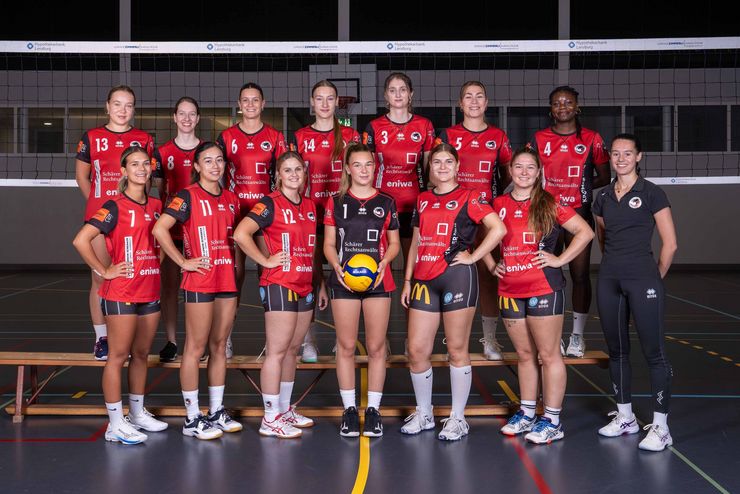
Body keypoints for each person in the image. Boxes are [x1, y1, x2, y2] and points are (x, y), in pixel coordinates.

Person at [400, 143, 506, 441]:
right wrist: (407, 280)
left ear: (458, 166)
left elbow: (498, 229)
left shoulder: (470, 196)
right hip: (424, 279)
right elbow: (416, 242)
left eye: (448, 161)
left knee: (457, 349)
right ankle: (424, 413)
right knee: (416, 350)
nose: (443, 167)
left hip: (457, 277)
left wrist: (474, 257)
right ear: (429, 167)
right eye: (437, 162)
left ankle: (458, 418)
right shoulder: (422, 199)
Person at [491, 147, 593, 444]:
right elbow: (482, 238)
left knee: (548, 355)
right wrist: (490, 264)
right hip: (509, 288)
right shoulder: (498, 204)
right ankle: (526, 413)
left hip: (543, 287)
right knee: (524, 355)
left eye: (530, 168)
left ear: (538, 173)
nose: (523, 172)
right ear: (510, 171)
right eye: (518, 167)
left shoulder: (549, 202)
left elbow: (585, 232)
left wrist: (560, 259)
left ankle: (552, 420)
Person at [72, 145, 167, 444]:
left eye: (145, 163)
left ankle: (137, 414)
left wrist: (156, 259)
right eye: (134, 164)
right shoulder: (113, 206)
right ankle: (115, 424)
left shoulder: (157, 205)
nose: (141, 168)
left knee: (141, 355)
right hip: (121, 291)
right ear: (124, 171)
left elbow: (161, 242)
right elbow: (81, 240)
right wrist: (104, 270)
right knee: (117, 356)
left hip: (149, 289)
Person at [234, 151, 328, 439]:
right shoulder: (269, 204)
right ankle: (270, 417)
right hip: (279, 283)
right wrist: (265, 260)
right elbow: (241, 234)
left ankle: (285, 410)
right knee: (276, 351)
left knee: (292, 350)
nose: (293, 174)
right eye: (287, 170)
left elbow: (312, 250)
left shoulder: (310, 206)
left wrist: (320, 282)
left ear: (305, 173)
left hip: (305, 283)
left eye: (298, 169)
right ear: (278, 175)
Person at [153, 141, 243, 440]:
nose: (215, 166)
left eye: (219, 160)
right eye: (208, 161)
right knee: (195, 348)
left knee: (219, 346)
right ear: (196, 166)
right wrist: (182, 261)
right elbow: (159, 229)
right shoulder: (187, 196)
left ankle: (216, 411)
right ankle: (192, 418)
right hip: (200, 279)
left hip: (226, 278)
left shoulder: (231, 198)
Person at [593, 134, 677, 452]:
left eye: (627, 153)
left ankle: (661, 427)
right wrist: (616, 266)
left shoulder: (652, 192)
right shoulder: (603, 196)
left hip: (643, 279)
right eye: (615, 153)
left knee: (654, 354)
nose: (621, 159)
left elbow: (670, 244)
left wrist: (653, 278)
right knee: (617, 352)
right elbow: (603, 236)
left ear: (638, 156)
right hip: (609, 279)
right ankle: (625, 417)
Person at [323, 143, 400, 437]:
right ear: (347, 168)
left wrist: (384, 263)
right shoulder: (336, 201)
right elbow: (329, 244)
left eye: (368, 164)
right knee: (345, 346)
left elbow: (394, 243)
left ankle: (374, 410)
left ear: (374, 166)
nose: (364, 170)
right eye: (357, 164)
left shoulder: (387, 201)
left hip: (377, 280)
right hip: (345, 280)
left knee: (377, 347)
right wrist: (337, 267)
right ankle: (349, 410)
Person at [74, 85, 155, 360]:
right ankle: (102, 338)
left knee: (129, 276)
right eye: (117, 104)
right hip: (102, 217)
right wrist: (102, 208)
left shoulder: (143, 138)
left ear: (134, 109)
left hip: (132, 219)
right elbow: (82, 177)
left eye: (128, 105)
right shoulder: (92, 137)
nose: (123, 110)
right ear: (107, 106)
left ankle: (124, 338)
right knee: (100, 277)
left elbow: (146, 178)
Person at [530, 86, 610, 357]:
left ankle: (577, 336)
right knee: (546, 274)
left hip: (579, 215)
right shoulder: (539, 138)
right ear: (550, 109)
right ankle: (550, 336)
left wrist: (578, 188)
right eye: (556, 103)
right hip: (547, 215)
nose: (562, 107)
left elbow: (604, 176)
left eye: (567, 102)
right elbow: (528, 172)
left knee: (579, 275)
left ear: (577, 106)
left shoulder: (592, 139)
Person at [437, 81, 513, 360]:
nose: (473, 101)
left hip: (485, 213)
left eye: (479, 96)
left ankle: (489, 340)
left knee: (488, 276)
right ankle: (454, 342)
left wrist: (489, 201)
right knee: (453, 276)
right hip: (453, 212)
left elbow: (506, 175)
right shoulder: (448, 134)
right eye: (468, 97)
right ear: (460, 104)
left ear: (486, 102)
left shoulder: (498, 135)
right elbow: (436, 169)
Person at [291, 80, 361, 363]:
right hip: (309, 213)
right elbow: (293, 176)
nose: (324, 103)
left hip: (343, 213)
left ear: (336, 102)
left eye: (329, 98)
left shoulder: (350, 135)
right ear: (312, 102)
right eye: (319, 98)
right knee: (309, 276)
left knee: (346, 274)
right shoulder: (300, 136)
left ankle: (343, 339)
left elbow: (359, 173)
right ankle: (308, 340)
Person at [217, 82, 287, 358]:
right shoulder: (226, 136)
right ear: (239, 104)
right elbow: (216, 173)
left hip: (265, 216)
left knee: (268, 274)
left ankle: (274, 340)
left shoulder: (275, 136)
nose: (250, 104)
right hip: (235, 214)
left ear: (263, 104)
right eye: (245, 100)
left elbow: (283, 175)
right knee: (233, 276)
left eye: (255, 100)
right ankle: (226, 338)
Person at [364, 72, 435, 270]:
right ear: (385, 95)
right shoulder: (374, 127)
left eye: (402, 90)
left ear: (410, 94)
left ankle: (410, 290)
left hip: (413, 202)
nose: (397, 95)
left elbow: (429, 167)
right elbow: (367, 167)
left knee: (413, 262)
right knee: (379, 261)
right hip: (381, 201)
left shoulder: (424, 125)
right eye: (392, 90)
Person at [153, 96, 202, 362]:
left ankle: (197, 343)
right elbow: (160, 189)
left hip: (199, 231)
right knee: (170, 288)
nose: (186, 118)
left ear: (198, 118)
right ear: (174, 117)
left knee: (199, 290)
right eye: (181, 113)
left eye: (191, 114)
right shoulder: (162, 153)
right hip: (172, 230)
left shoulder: (206, 149)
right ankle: (171, 341)